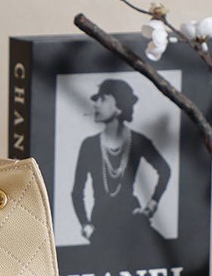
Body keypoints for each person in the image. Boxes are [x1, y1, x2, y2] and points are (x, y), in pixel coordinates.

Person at [71, 78, 171, 257]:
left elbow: (165, 171)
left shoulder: (137, 141)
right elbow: (76, 193)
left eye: (102, 99)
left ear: (119, 106)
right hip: (101, 227)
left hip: (133, 222)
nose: (96, 104)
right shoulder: (89, 145)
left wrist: (150, 208)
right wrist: (86, 227)